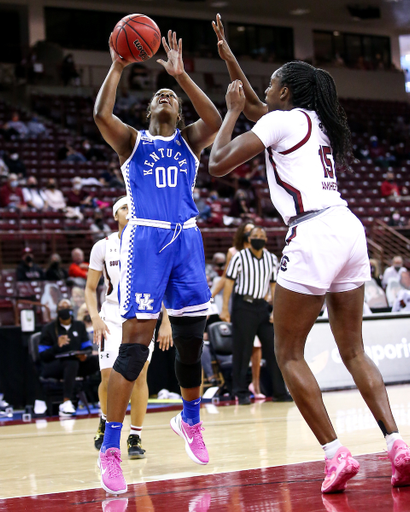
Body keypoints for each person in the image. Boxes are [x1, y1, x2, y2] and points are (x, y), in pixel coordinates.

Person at [209, 14, 410, 493]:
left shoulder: (278, 119)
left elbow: (217, 164)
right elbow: (264, 107)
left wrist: (232, 112)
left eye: (272, 83)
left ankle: (335, 454)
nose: (266, 88)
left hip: (312, 232)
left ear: (285, 92)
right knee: (354, 349)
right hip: (347, 226)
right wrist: (230, 58)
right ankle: (398, 445)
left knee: (287, 354)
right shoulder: (313, 119)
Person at [93, 29, 221, 494]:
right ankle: (110, 449)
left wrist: (181, 76)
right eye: (159, 94)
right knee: (134, 348)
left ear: (178, 111)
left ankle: (190, 420)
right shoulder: (133, 143)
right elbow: (100, 114)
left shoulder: (190, 141)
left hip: (186, 241)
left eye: (171, 96)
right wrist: (118, 65)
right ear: (148, 112)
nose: (165, 96)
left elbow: (215, 115)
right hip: (145, 241)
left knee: (192, 343)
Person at [85, 196, 173, 457]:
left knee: (139, 377)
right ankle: (106, 418)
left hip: (143, 312)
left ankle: (134, 437)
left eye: (132, 207)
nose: (129, 211)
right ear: (115, 215)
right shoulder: (102, 246)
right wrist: (95, 318)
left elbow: (161, 286)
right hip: (111, 315)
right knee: (107, 375)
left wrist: (165, 320)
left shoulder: (150, 245)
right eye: (124, 207)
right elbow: (90, 289)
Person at [219, 226, 289, 404]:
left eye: (262, 236)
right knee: (242, 351)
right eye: (255, 235)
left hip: (262, 307)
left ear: (266, 240)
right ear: (249, 239)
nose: (258, 238)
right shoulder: (239, 257)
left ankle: (280, 392)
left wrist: (275, 309)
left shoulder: (271, 259)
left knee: (273, 350)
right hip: (243, 306)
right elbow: (228, 283)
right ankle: (240, 392)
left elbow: (274, 285)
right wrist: (225, 308)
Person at [38, 298, 99, 417]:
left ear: (71, 310)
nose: (64, 310)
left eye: (67, 307)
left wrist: (84, 355)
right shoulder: (49, 329)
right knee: (71, 363)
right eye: (61, 308)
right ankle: (66, 402)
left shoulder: (79, 326)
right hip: (54, 365)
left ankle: (102, 398)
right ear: (57, 311)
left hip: (76, 363)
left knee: (97, 360)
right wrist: (57, 346)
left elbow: (87, 347)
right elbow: (43, 355)